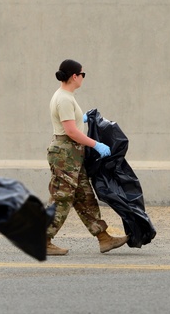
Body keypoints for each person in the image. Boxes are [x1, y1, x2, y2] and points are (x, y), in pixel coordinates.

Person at [44, 59, 129, 256]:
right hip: (65, 153)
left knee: (84, 196)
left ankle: (103, 237)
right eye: (83, 74)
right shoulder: (64, 98)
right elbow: (71, 132)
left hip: (71, 154)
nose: (83, 77)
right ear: (74, 76)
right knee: (62, 197)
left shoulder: (66, 96)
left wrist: (83, 119)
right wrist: (96, 144)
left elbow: (72, 124)